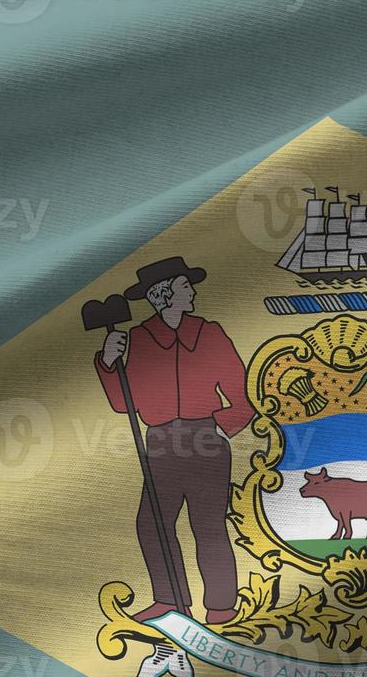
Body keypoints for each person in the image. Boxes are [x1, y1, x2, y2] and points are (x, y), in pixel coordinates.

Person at [95, 256, 254, 626]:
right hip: (162, 442)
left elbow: (244, 396)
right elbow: (124, 402)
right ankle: (171, 601)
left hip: (206, 439)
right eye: (185, 286)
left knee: (209, 524)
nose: (193, 291)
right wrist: (107, 362)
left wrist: (221, 426)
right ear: (163, 294)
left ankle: (221, 608)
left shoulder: (209, 333)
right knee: (152, 524)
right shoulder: (139, 339)